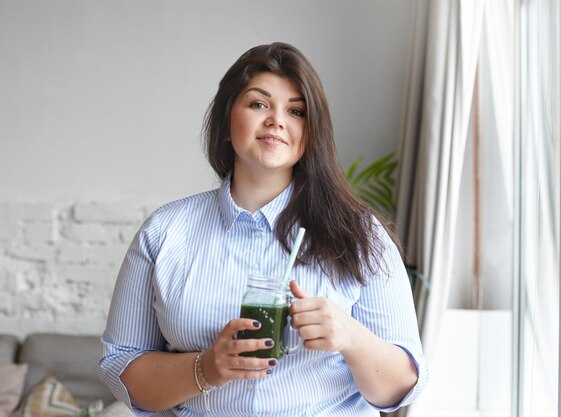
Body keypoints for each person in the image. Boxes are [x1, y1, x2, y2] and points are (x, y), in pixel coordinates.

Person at [99, 42, 427, 417]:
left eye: (296, 110)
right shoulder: (164, 232)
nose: (276, 120)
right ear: (225, 122)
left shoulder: (361, 234)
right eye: (258, 104)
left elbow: (402, 387)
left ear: (311, 133)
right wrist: (206, 368)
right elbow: (122, 368)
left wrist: (350, 336)